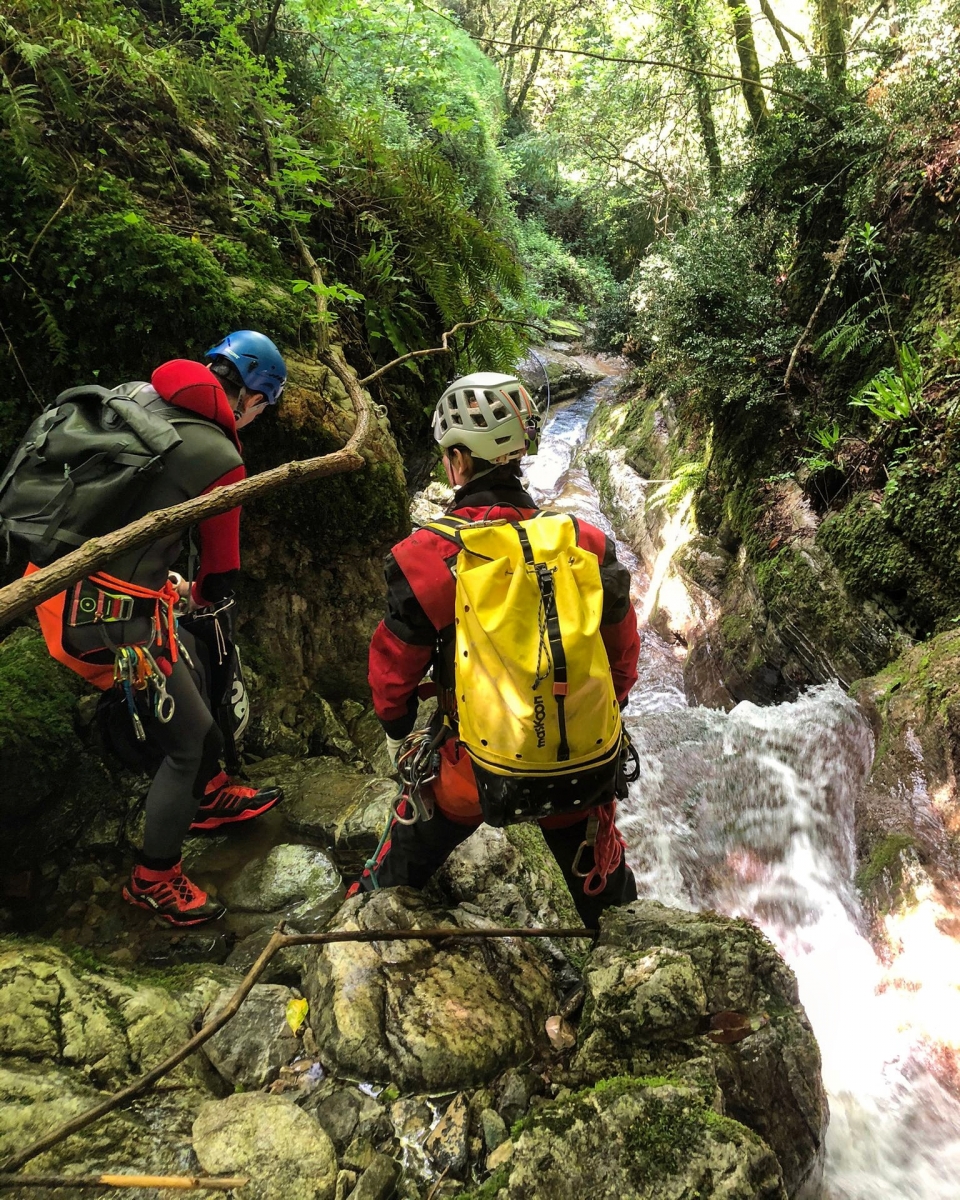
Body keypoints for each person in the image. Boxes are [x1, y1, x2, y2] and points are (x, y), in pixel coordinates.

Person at [359, 372, 641, 925]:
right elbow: (623, 658)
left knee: (403, 854)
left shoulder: (427, 558)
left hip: (471, 774)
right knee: (604, 889)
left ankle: (368, 905)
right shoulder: (585, 542)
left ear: (459, 461)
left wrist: (396, 728)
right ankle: (622, 943)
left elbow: (392, 675)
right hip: (577, 769)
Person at [30, 330, 288, 926]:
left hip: (47, 577)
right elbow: (220, 579)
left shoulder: (135, 397)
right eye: (262, 408)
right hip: (97, 622)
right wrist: (191, 590)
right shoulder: (222, 459)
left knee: (192, 643)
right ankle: (155, 878)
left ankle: (214, 790)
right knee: (188, 736)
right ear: (251, 397)